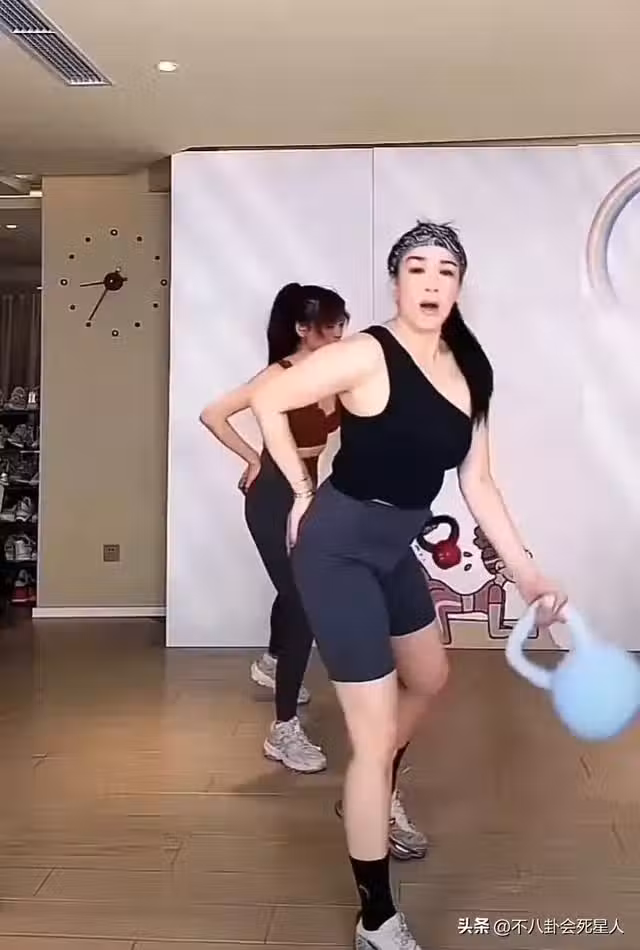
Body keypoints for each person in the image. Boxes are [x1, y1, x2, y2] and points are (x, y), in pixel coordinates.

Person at [250, 221, 567, 950]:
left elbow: (478, 482)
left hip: (393, 549)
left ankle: (376, 787)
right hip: (336, 551)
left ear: (459, 287)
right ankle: (376, 917)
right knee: (371, 736)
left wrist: (526, 571)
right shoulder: (366, 353)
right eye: (416, 268)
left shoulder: (470, 368)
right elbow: (268, 400)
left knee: (429, 676)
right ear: (395, 282)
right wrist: (300, 490)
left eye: (445, 270)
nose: (430, 281)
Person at [200, 282, 348, 774]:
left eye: (341, 323)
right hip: (271, 498)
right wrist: (252, 459)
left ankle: (270, 661)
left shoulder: (336, 372)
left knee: (295, 589)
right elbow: (213, 414)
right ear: (302, 329)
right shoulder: (276, 376)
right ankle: (283, 731)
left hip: (310, 493)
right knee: (302, 601)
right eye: (329, 325)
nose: (338, 333)